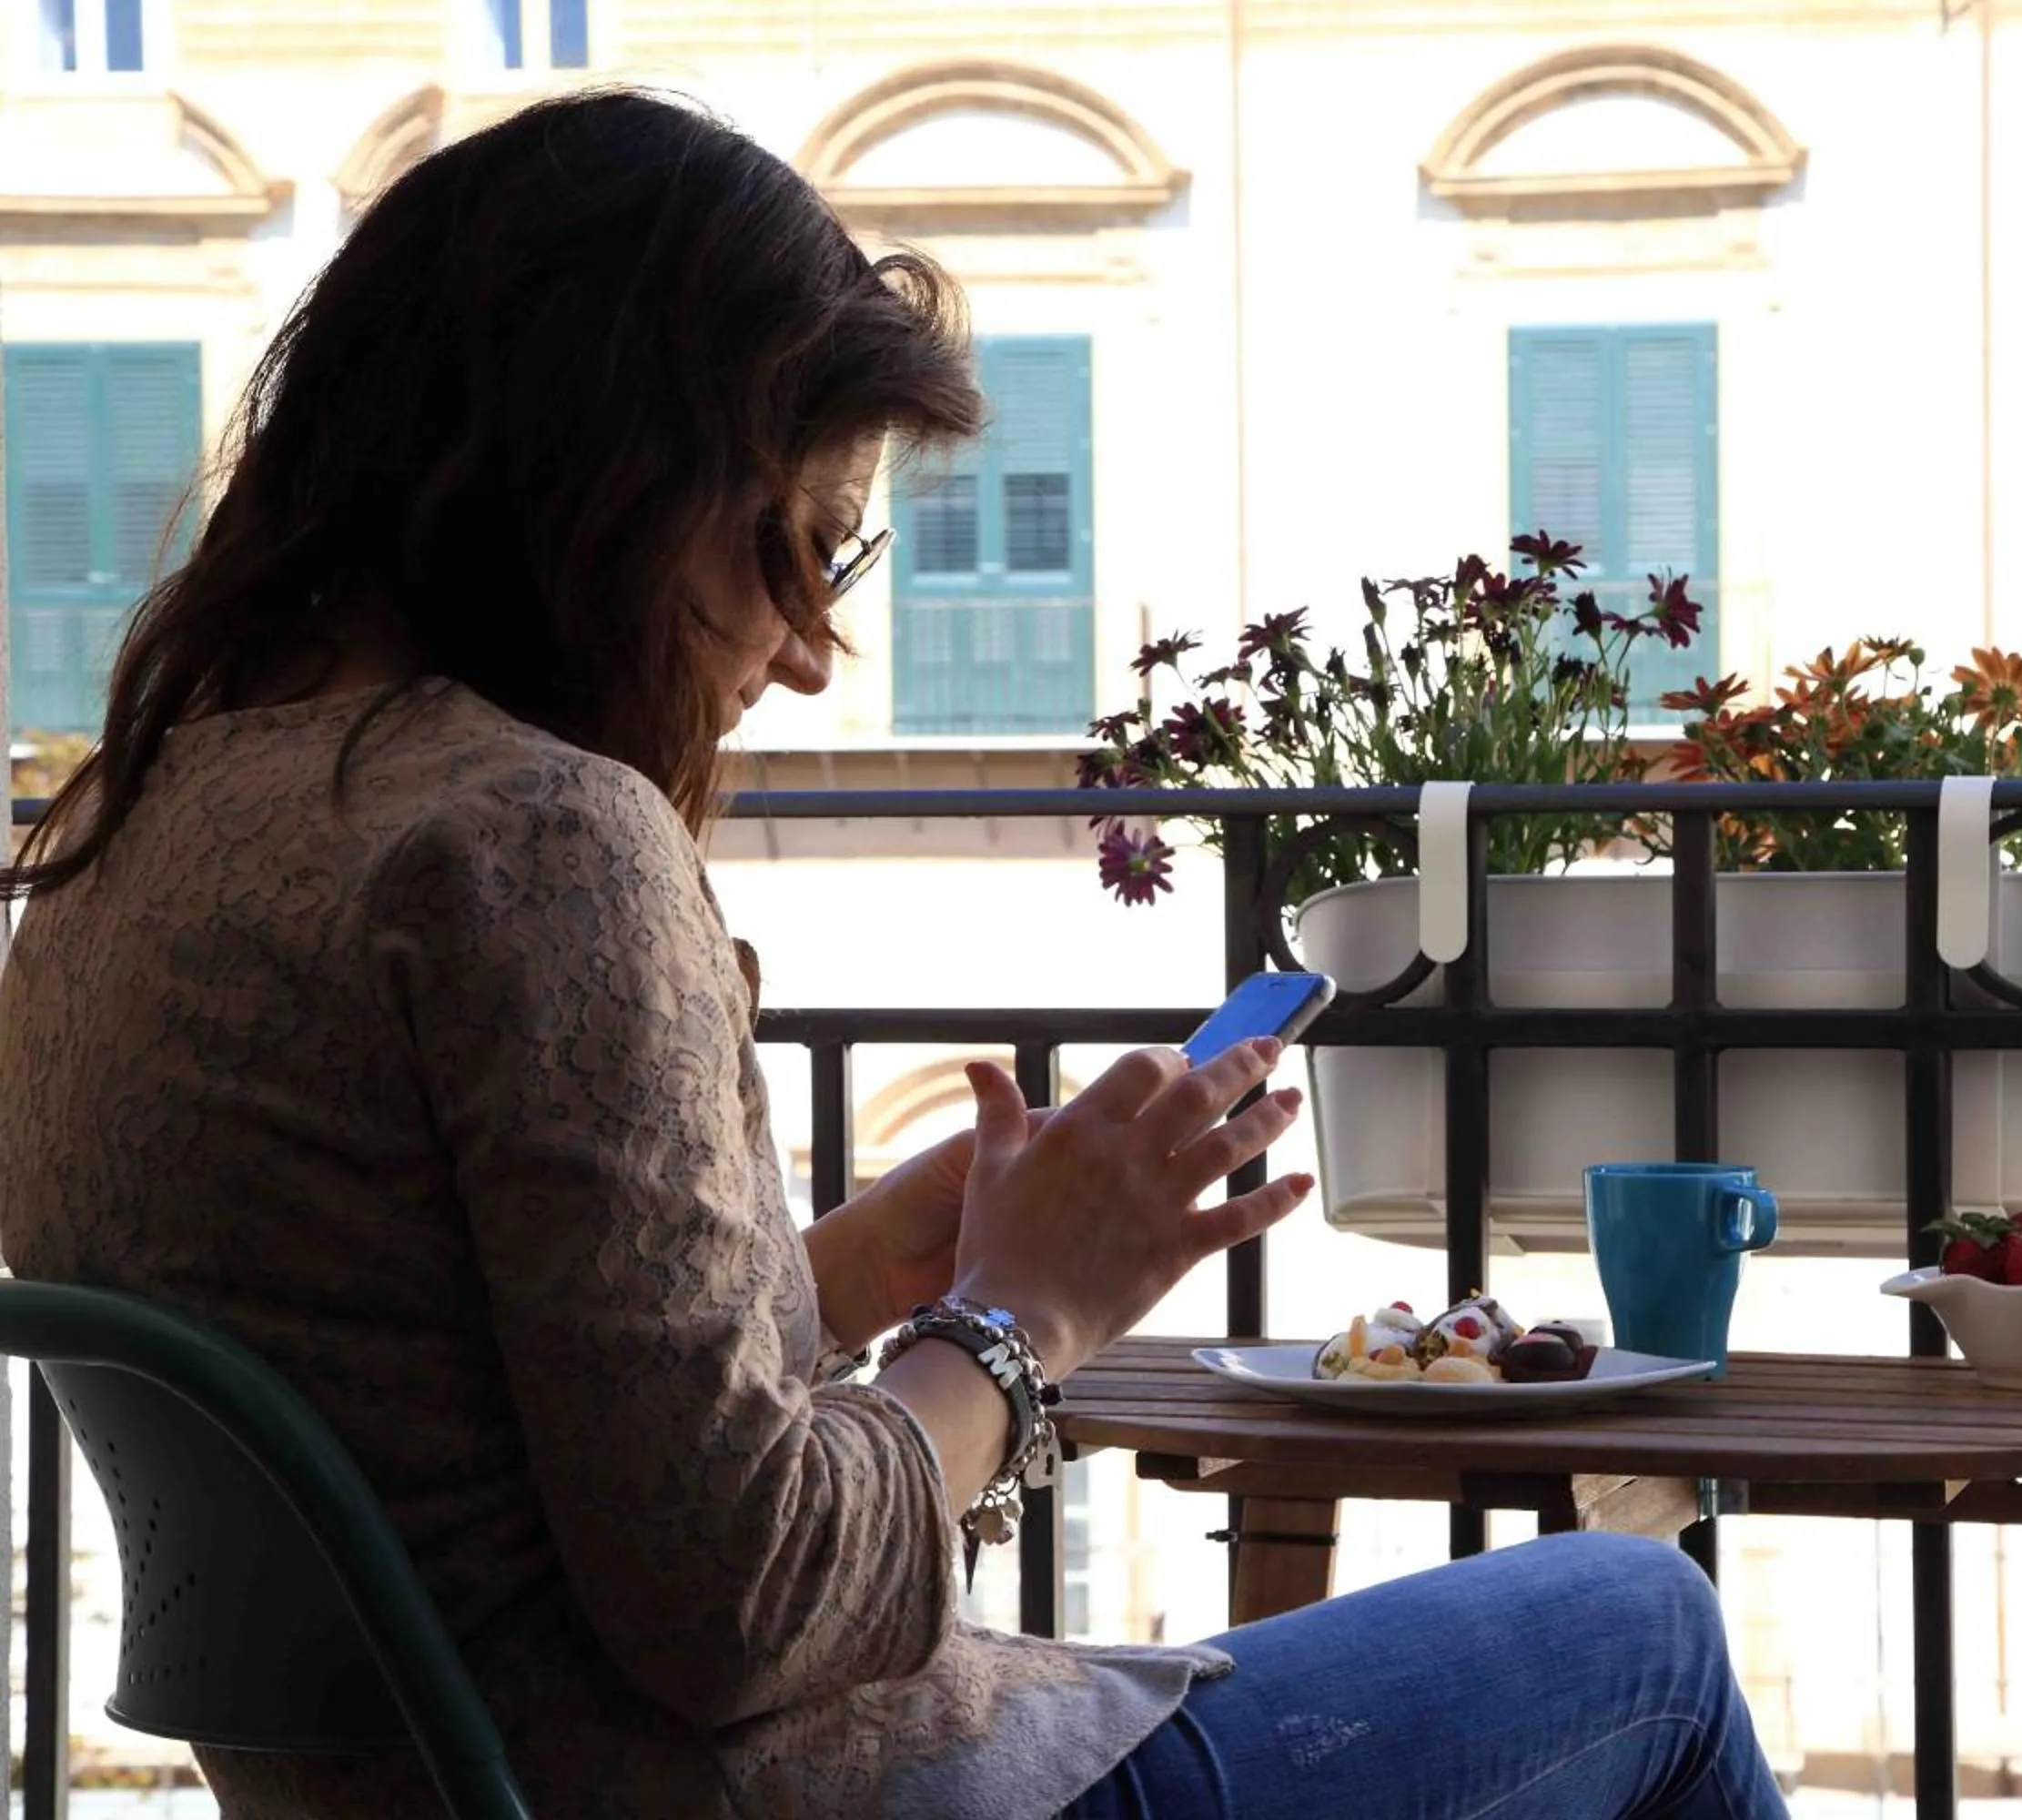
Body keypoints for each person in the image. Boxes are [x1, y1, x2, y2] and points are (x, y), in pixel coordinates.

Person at [0, 90, 1788, 1820]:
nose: (807, 654)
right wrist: (1022, 1326)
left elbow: (474, 1419)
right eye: (794, 550)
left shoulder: (111, 848)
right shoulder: (528, 840)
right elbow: (743, 1598)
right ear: (604, 481)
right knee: (1648, 1627)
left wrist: (855, 1269)